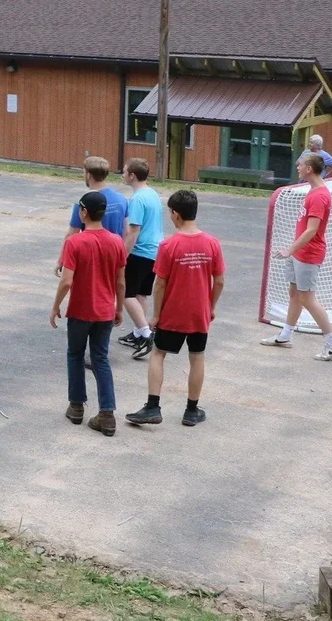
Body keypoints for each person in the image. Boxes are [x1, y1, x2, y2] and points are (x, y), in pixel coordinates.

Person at [125, 190, 225, 428]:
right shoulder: (212, 243)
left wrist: (156, 315)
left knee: (159, 353)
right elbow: (219, 281)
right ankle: (191, 410)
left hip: (173, 312)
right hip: (199, 312)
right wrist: (211, 307)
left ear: (176, 215)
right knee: (197, 356)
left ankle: (152, 406)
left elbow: (160, 283)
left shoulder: (169, 245)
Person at [50, 190, 126, 436]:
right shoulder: (116, 241)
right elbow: (121, 281)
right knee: (100, 359)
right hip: (105, 311)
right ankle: (107, 413)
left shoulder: (75, 242)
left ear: (84, 212)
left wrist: (55, 306)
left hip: (81, 311)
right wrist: (119, 308)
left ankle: (76, 407)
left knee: (75, 355)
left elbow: (67, 281)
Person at [262, 152, 332, 359]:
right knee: (294, 294)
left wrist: (290, 249)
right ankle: (286, 335)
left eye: (300, 165)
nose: (297, 167)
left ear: (309, 169)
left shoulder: (319, 196)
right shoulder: (313, 191)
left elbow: (312, 230)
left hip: (308, 254)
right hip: (299, 252)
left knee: (307, 299)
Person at [118, 158, 164, 359]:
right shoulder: (152, 193)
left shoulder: (137, 199)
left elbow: (134, 231)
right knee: (141, 294)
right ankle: (139, 331)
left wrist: (122, 256)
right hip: (155, 252)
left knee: (127, 294)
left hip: (140, 251)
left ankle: (145, 333)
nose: (122, 174)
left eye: (124, 171)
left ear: (132, 176)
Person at [57, 157, 127, 274]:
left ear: (88, 175)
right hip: (113, 256)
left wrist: (61, 260)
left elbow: (72, 233)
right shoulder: (122, 199)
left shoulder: (85, 201)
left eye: (84, 172)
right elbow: (127, 230)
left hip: (91, 258)